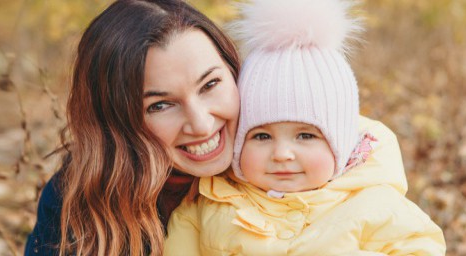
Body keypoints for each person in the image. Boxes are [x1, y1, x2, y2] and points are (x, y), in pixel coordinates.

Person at [164, 0, 446, 255]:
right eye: (262, 136)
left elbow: (421, 247)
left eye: (306, 135)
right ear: (239, 143)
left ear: (340, 145)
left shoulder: (375, 204)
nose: (282, 153)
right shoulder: (209, 204)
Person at [24, 0, 241, 255]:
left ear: (233, 69)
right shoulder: (77, 204)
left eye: (210, 84)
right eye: (160, 106)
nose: (202, 125)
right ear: (118, 121)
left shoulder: (289, 164)